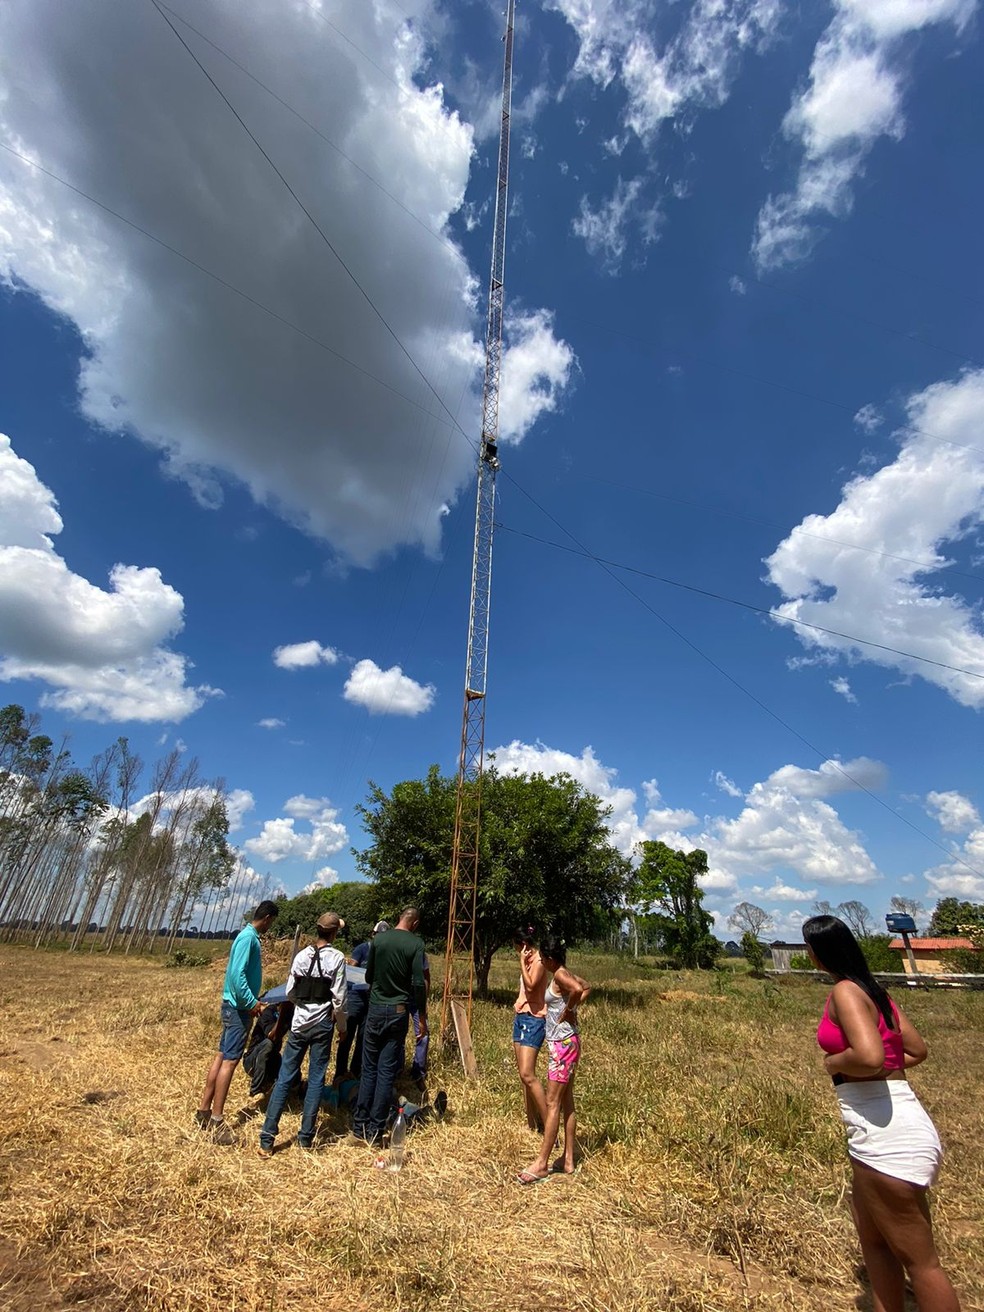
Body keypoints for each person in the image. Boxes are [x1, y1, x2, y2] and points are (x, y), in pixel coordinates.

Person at [803, 914, 961, 1312]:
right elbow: (917, 1051)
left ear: (819, 954)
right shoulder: (874, 993)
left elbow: (869, 1056)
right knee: (874, 1241)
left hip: (887, 1137)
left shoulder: (844, 992)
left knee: (921, 1262)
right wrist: (886, 1068)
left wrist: (833, 1063)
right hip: (887, 1123)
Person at [258, 912, 347, 1157]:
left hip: (299, 1024)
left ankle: (267, 1137)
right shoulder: (337, 958)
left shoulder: (301, 956)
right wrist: (342, 1027)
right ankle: (306, 1137)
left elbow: (290, 991)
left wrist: (303, 1008)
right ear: (334, 933)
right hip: (322, 1026)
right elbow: (339, 999)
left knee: (285, 1077)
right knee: (317, 1078)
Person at [196, 899, 279, 1144]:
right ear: (266, 919)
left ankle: (203, 1111)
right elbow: (236, 975)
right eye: (271, 923)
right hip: (238, 1009)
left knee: (222, 1056)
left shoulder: (246, 936)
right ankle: (218, 1122)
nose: (269, 927)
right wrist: (252, 1002)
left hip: (234, 1007)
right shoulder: (249, 938)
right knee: (230, 1062)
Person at [352, 907, 428, 1146]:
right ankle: (376, 1130)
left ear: (399, 918)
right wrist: (422, 1015)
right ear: (414, 923)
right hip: (398, 1012)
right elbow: (418, 982)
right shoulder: (416, 944)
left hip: (375, 1008)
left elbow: (368, 975)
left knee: (369, 1069)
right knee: (386, 1072)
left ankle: (358, 1126)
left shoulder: (379, 939)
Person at [518, 936, 590, 1184]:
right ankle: (567, 1159)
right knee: (566, 1100)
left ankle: (542, 1163)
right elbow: (586, 986)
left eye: (542, 958)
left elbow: (580, 989)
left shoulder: (559, 975)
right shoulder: (564, 973)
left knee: (552, 1103)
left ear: (549, 959)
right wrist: (570, 1008)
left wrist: (569, 1010)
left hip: (563, 1046)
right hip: (568, 1043)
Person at [335, 920, 389, 1081]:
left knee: (364, 1039)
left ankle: (355, 1072)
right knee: (346, 1037)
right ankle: (340, 1073)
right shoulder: (362, 949)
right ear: (373, 935)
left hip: (372, 1002)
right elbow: (350, 970)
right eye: (379, 935)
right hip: (355, 999)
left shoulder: (386, 954)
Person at [512, 925, 548, 1132]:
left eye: (517, 947)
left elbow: (532, 986)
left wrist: (521, 964)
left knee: (528, 1074)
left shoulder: (539, 961)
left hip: (533, 1019)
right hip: (520, 1015)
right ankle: (531, 1124)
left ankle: (549, 1126)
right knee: (522, 1075)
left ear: (523, 945)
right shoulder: (528, 961)